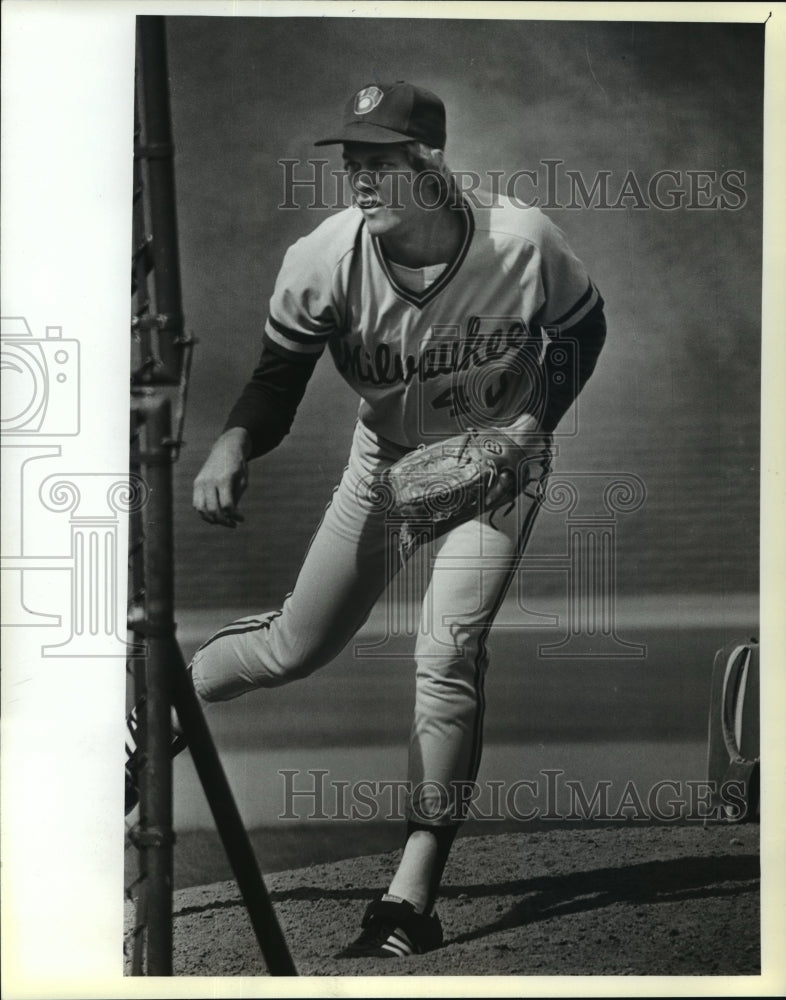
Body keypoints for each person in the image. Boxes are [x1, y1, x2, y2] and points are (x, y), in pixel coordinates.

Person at [127, 80, 607, 959]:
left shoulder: (521, 240)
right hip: (385, 467)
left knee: (448, 646)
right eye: (353, 163)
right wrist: (233, 443)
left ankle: (410, 900)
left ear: (430, 167)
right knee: (291, 649)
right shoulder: (324, 258)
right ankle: (161, 712)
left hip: (495, 464)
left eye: (380, 162)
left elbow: (584, 329)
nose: (360, 180)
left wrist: (527, 431)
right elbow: (278, 378)